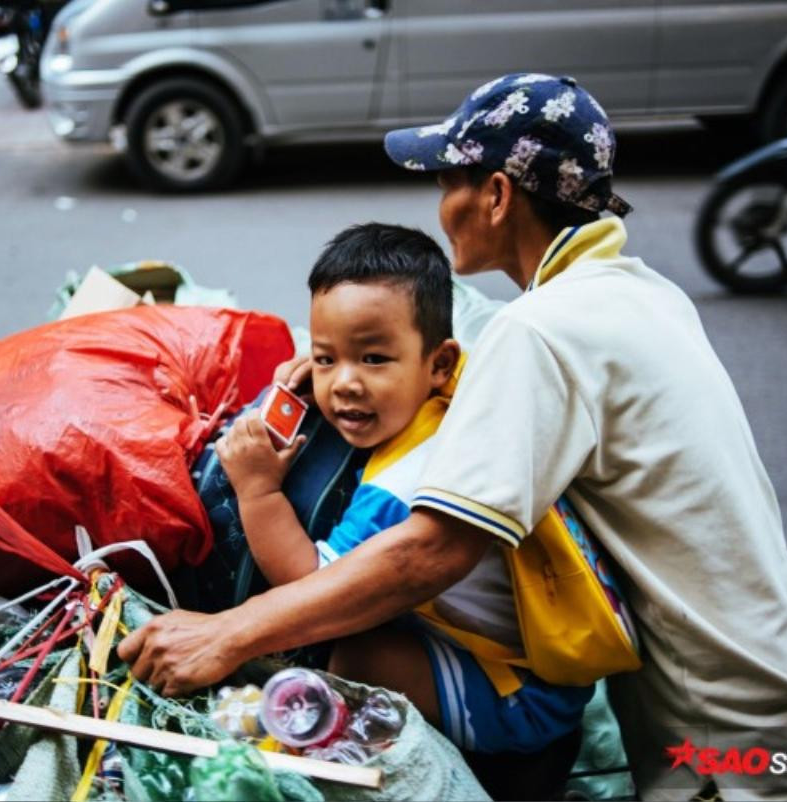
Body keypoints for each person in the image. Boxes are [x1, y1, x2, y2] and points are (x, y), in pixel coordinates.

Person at [120, 74, 787, 800]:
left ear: (494, 194)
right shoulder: (641, 296)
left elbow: (431, 552)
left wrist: (229, 633)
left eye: (448, 180)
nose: (440, 202)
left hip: (747, 749)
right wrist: (332, 369)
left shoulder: (543, 333)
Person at [212, 222, 592, 768]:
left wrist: (256, 490)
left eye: (373, 359)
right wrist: (320, 369)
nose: (344, 383)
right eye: (326, 359)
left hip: (517, 699)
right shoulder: (462, 387)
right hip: (535, 665)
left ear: (437, 362)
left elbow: (311, 588)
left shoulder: (403, 484)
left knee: (344, 651)